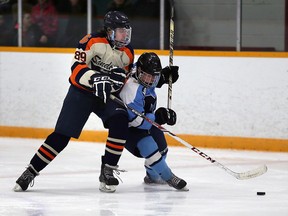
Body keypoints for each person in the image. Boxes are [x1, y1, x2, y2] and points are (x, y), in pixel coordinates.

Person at [13, 10, 134, 193]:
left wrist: (119, 82)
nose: (125, 35)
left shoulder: (128, 52)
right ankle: (31, 170)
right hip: (82, 92)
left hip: (105, 96)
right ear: (109, 31)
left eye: (126, 31)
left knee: (120, 119)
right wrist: (95, 78)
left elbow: (124, 80)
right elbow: (76, 69)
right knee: (61, 135)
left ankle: (108, 170)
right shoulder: (91, 41)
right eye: (120, 31)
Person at [119, 52, 188, 191]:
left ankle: (152, 176)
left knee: (162, 148)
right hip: (129, 127)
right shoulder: (131, 90)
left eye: (154, 76)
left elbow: (150, 82)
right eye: (147, 75)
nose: (150, 80)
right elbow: (137, 121)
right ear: (139, 71)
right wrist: (159, 117)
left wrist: (163, 76)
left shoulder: (139, 73)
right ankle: (169, 177)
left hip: (147, 120)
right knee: (150, 147)